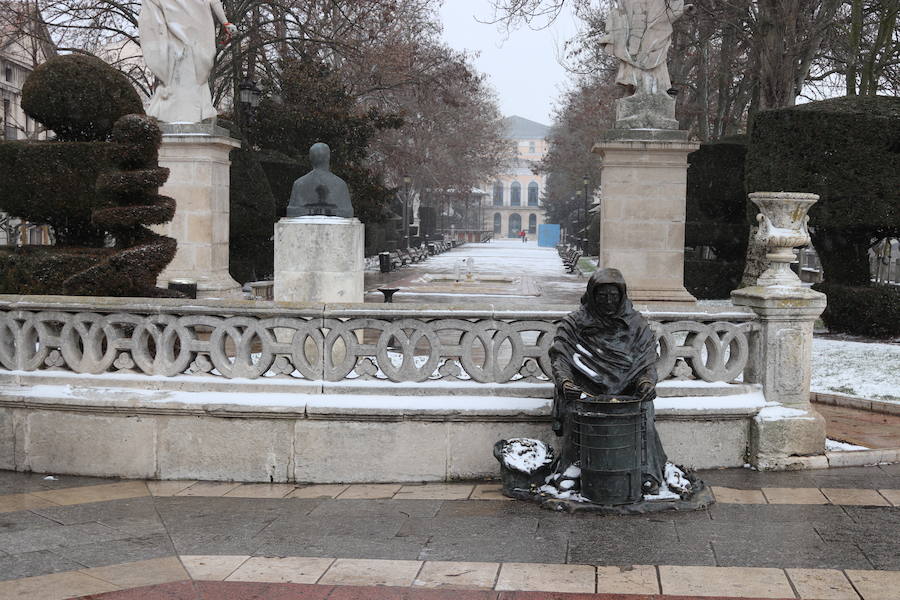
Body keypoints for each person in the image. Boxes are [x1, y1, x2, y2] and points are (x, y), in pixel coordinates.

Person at [547, 268, 666, 492]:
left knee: (644, 412)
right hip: (587, 389)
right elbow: (560, 357)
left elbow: (647, 361)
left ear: (622, 296)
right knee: (577, 412)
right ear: (592, 295)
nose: (608, 301)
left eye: (614, 296)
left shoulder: (637, 325)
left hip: (628, 391)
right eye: (602, 296)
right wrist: (565, 383)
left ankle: (646, 471)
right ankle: (574, 467)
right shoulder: (574, 323)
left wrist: (646, 382)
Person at [139, 0, 237, 123]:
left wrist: (225, 22)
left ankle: (190, 112)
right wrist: (225, 23)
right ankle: (181, 113)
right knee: (181, 64)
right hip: (175, 22)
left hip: (196, 24)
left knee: (195, 66)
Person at [598, 0, 691, 96]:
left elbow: (669, 13)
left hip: (653, 36)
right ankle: (632, 87)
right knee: (634, 57)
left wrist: (682, 9)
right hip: (634, 36)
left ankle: (659, 87)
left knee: (654, 56)